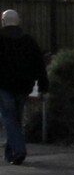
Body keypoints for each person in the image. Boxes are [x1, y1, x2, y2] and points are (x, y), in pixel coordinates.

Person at [0, 9, 47, 165]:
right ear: (18, 21)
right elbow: (40, 65)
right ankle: (10, 153)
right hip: (24, 86)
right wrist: (42, 86)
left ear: (3, 21)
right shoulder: (28, 41)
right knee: (16, 118)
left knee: (8, 118)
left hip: (4, 85)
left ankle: (18, 150)